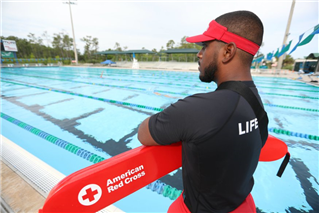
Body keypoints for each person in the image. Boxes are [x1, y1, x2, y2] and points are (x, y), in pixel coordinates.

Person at [138, 10, 267, 213]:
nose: (199, 54)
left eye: (205, 46)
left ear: (228, 51)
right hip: (243, 205)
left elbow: (143, 133)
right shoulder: (255, 100)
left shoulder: (201, 109)